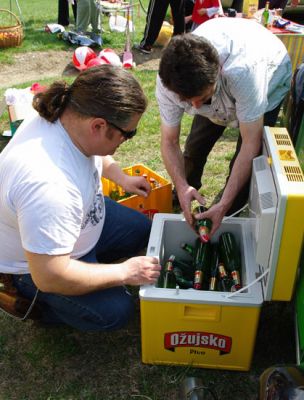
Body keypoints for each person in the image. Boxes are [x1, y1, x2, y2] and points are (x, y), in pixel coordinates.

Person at [0, 65, 161, 331]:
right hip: (35, 266)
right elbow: (50, 275)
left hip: (81, 219)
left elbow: (99, 151)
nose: (127, 139)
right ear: (98, 125)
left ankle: (93, 263)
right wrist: (124, 272)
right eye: (127, 133)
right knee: (114, 313)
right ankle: (31, 303)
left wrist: (119, 176)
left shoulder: (65, 114)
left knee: (143, 230)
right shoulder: (50, 186)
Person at [156, 17, 292, 237]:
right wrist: (181, 185)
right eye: (187, 100)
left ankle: (227, 211)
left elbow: (250, 144)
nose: (196, 107)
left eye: (202, 98)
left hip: (270, 71)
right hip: (219, 80)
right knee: (196, 145)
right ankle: (186, 191)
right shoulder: (168, 81)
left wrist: (225, 202)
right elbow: (169, 141)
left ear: (217, 73)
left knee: (250, 155)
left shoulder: (244, 72)